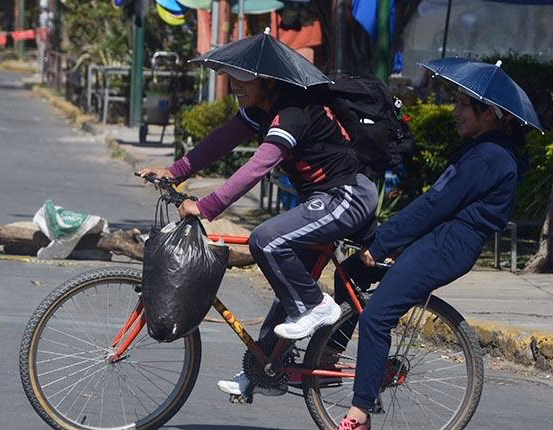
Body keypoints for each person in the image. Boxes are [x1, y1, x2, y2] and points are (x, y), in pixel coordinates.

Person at [137, 68, 378, 397]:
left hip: (347, 196)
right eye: (232, 78)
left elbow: (256, 167)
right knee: (288, 286)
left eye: (244, 79)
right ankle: (260, 369)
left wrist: (207, 206)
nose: (235, 85)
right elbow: (222, 140)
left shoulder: (292, 113)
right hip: (321, 201)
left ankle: (319, 306)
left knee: (265, 239)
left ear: (268, 80)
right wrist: (175, 171)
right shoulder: (259, 111)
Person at [335, 88, 529, 430]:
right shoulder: (483, 148)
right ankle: (327, 361)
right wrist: (389, 240)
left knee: (377, 317)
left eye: (463, 105)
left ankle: (359, 414)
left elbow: (435, 205)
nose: (455, 111)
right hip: (438, 235)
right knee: (349, 275)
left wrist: (383, 244)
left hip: (448, 244)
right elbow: (436, 203)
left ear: (489, 114)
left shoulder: (490, 156)